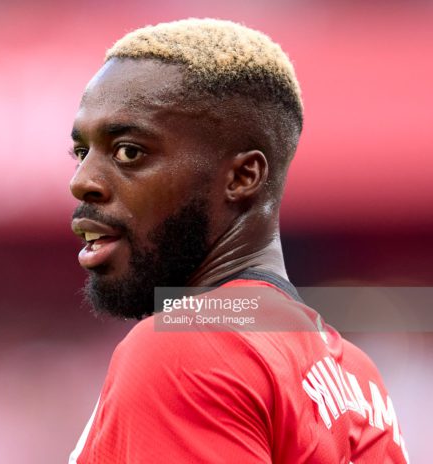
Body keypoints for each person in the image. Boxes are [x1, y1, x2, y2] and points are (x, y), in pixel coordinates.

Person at [67, 18, 408, 463]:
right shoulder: (357, 378)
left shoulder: (183, 348)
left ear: (243, 177)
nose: (82, 182)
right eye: (80, 153)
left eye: (129, 152)